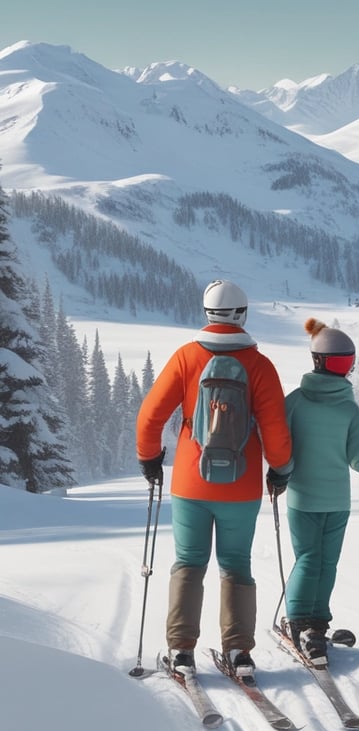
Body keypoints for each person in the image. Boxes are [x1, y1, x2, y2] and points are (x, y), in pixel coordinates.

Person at [136, 279, 293, 675]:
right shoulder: (260, 365)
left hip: (192, 482)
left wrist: (149, 459)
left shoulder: (186, 357)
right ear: (242, 314)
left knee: (189, 562)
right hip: (241, 486)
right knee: (236, 564)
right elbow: (276, 432)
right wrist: (280, 470)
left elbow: (150, 417)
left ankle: (181, 651)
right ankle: (239, 652)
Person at [278, 318, 359, 664]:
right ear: (346, 366)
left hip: (301, 499)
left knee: (307, 559)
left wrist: (274, 474)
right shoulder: (348, 408)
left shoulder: (294, 402)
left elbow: (276, 443)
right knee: (326, 562)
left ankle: (299, 623)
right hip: (337, 502)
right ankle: (316, 623)